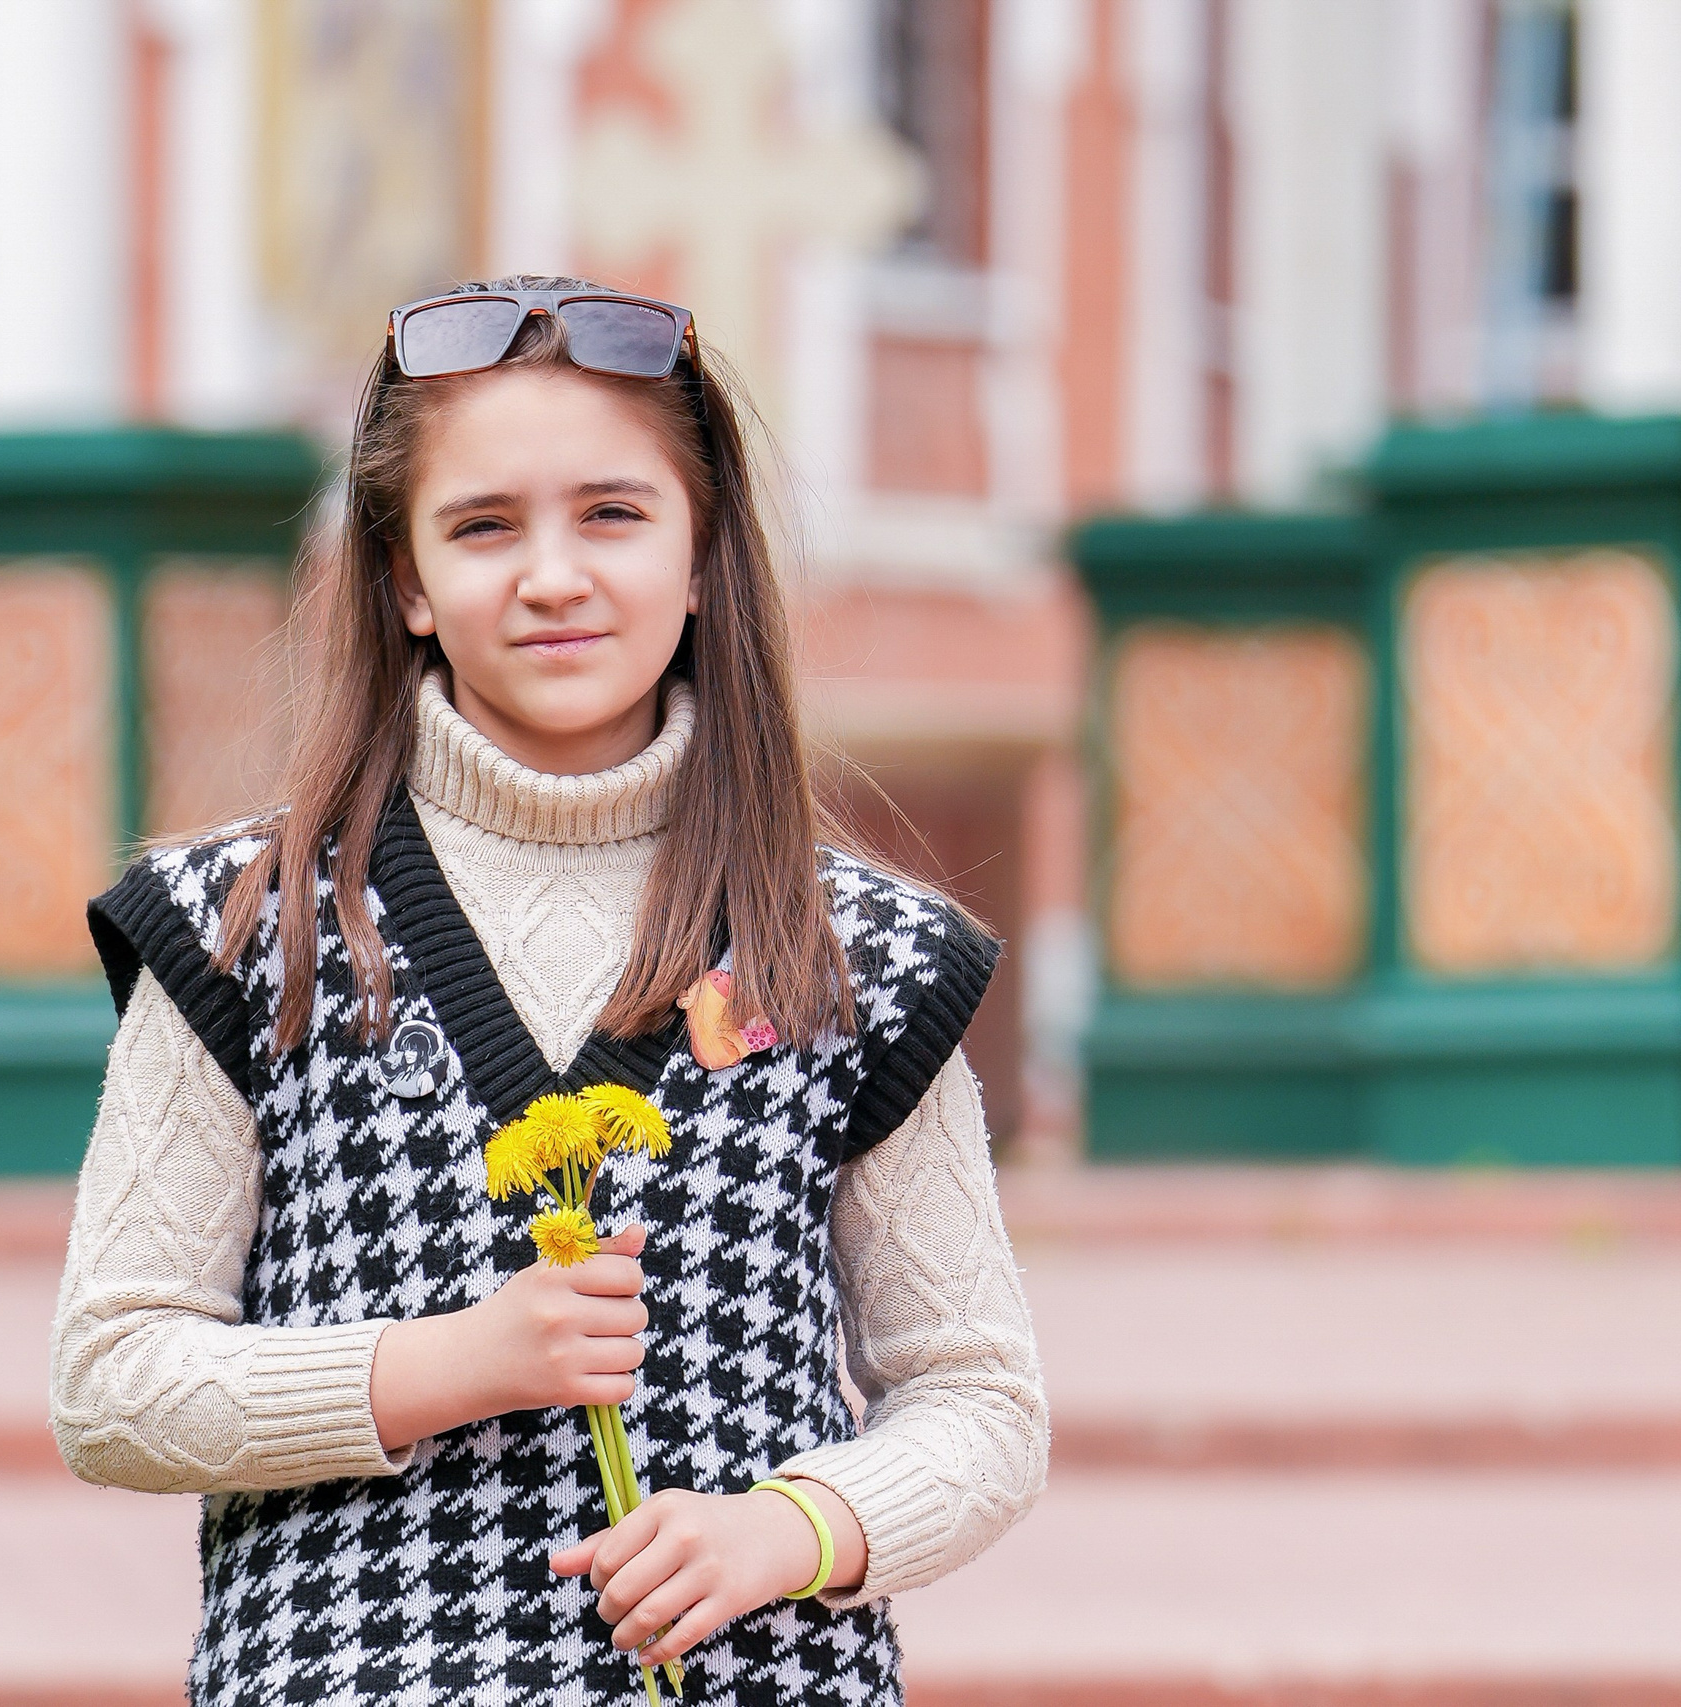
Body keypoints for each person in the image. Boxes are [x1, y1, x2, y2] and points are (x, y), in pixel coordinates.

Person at [52, 275, 1047, 1704]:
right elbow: (111, 1380)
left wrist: (792, 1529)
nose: (554, 576)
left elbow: (981, 1402)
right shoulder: (244, 930)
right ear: (404, 581)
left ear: (702, 555)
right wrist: (446, 1365)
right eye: (483, 527)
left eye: (613, 514)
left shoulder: (853, 955)